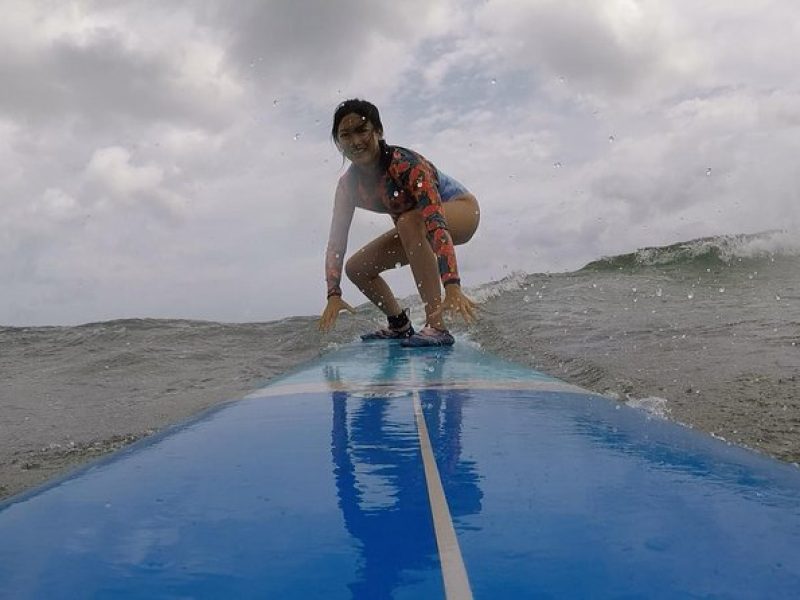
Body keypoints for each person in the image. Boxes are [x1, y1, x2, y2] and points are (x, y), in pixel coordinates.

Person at [318, 99, 480, 347]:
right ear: (338, 143)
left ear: (379, 131)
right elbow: (336, 243)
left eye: (362, 130)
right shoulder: (347, 187)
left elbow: (435, 221)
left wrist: (452, 285)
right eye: (345, 135)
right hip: (414, 225)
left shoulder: (407, 165)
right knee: (357, 268)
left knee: (408, 221)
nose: (355, 141)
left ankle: (436, 325)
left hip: (461, 211)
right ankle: (399, 324)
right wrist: (333, 294)